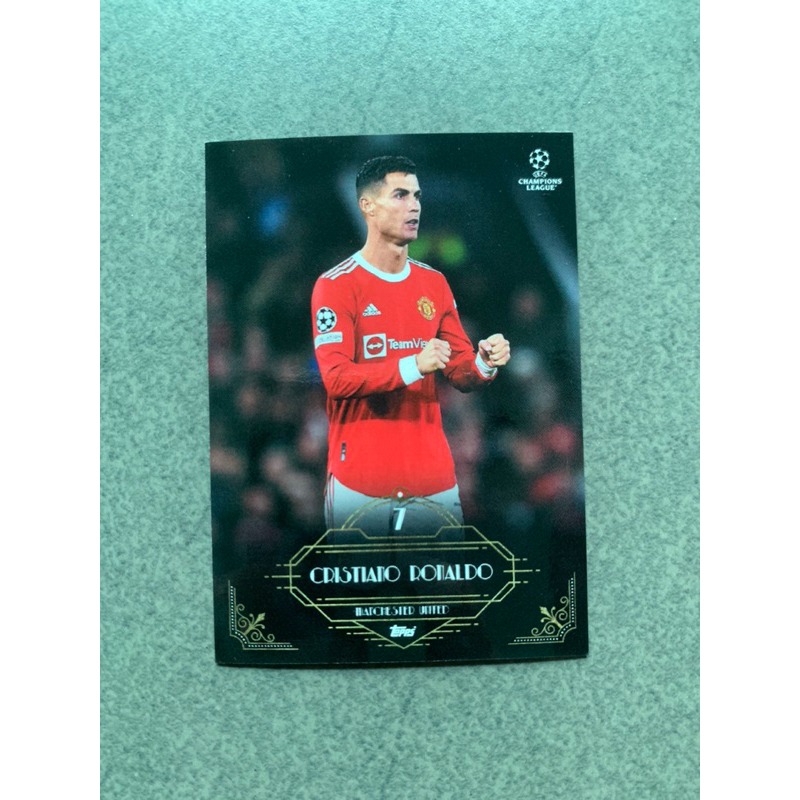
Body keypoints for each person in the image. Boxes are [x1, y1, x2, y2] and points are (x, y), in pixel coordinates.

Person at [311, 156, 510, 534]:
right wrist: (412, 365)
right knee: (363, 578)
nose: (414, 205)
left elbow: (460, 369)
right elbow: (336, 378)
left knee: (444, 577)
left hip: (432, 481)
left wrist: (484, 362)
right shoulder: (336, 285)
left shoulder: (434, 284)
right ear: (368, 206)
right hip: (360, 483)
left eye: (417, 196)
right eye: (400, 195)